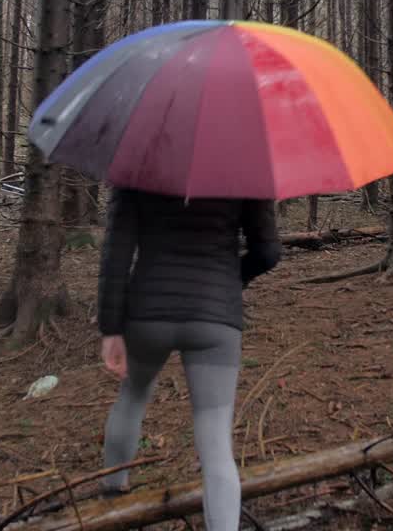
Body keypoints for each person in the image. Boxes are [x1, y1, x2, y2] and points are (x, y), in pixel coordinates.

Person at [96, 186, 282, 529]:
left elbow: (116, 253)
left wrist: (110, 328)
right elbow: (268, 252)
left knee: (132, 399)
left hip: (147, 312)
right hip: (216, 319)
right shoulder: (245, 165)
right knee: (215, 438)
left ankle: (111, 500)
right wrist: (230, 279)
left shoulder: (136, 159)